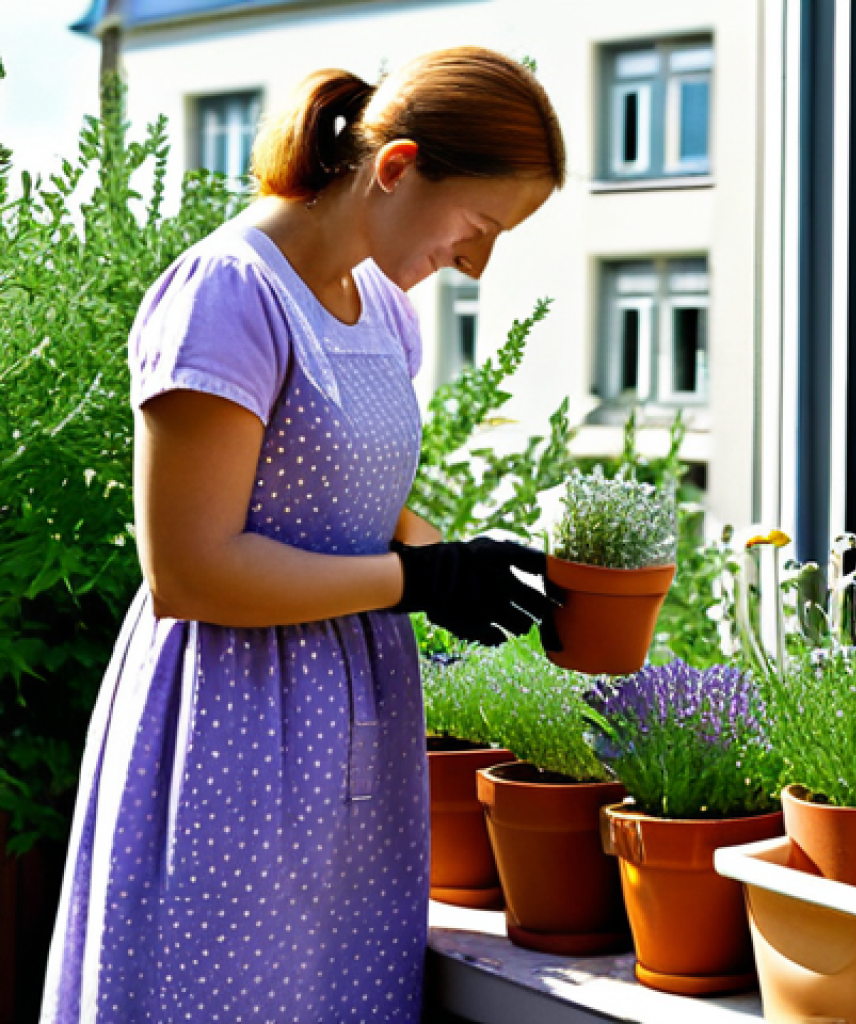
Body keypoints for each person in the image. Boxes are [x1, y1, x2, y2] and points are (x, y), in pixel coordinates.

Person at [40, 46, 565, 1024]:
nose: (478, 260)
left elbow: (360, 507)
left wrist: (474, 567)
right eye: (479, 225)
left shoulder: (386, 316)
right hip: (233, 733)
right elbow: (190, 570)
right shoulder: (227, 293)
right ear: (398, 167)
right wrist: (416, 580)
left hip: (354, 751)